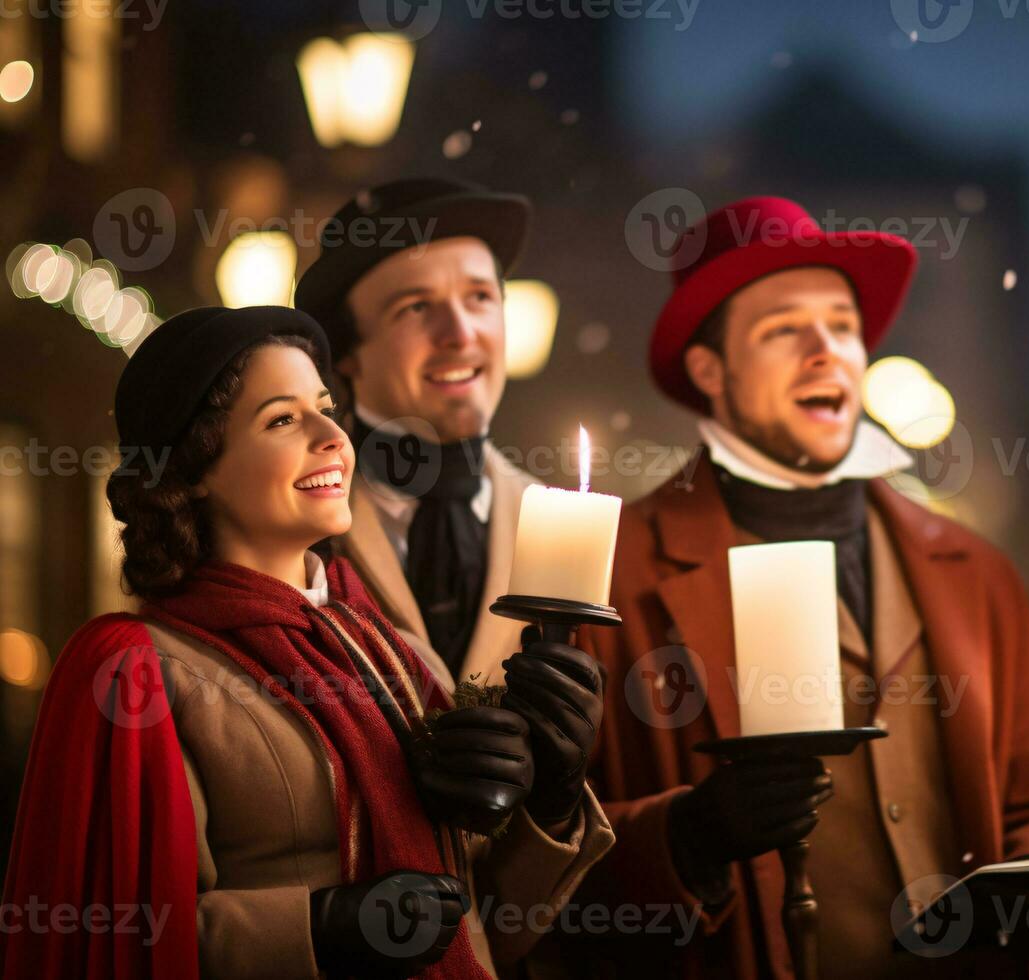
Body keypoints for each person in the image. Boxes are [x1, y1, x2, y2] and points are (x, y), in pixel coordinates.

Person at [568, 197, 1029, 978]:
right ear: (708, 370)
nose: (826, 350)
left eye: (843, 325)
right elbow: (550, 852)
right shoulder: (611, 574)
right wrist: (686, 836)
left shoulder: (974, 569)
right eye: (783, 329)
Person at [0, 307, 611, 977]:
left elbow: (483, 919)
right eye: (282, 419)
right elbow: (118, 935)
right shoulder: (141, 668)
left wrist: (549, 800)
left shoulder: (396, 651)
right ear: (196, 466)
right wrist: (319, 928)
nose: (333, 436)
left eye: (325, 406)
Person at [295, 176, 539, 691]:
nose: (460, 334)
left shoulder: (559, 525)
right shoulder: (289, 530)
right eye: (416, 307)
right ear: (347, 354)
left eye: (479, 297)